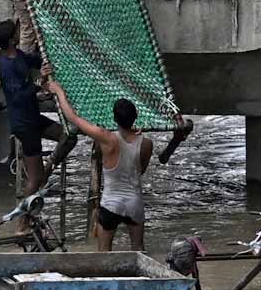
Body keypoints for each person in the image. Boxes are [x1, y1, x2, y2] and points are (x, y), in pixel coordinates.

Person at [47, 85, 188, 251]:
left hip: (111, 203)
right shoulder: (146, 143)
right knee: (138, 249)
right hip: (134, 203)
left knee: (104, 253)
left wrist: (59, 91)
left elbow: (73, 117)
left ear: (114, 118)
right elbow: (140, 171)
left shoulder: (106, 138)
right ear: (135, 117)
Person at [0, 19, 63, 197]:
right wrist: (39, 84)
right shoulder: (6, 65)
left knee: (66, 136)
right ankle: (23, 218)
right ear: (11, 41)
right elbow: (19, 95)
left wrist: (48, 56)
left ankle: (45, 174)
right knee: (34, 180)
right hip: (24, 124)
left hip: (33, 118)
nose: (18, 34)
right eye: (15, 33)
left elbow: (34, 60)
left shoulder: (18, 55)